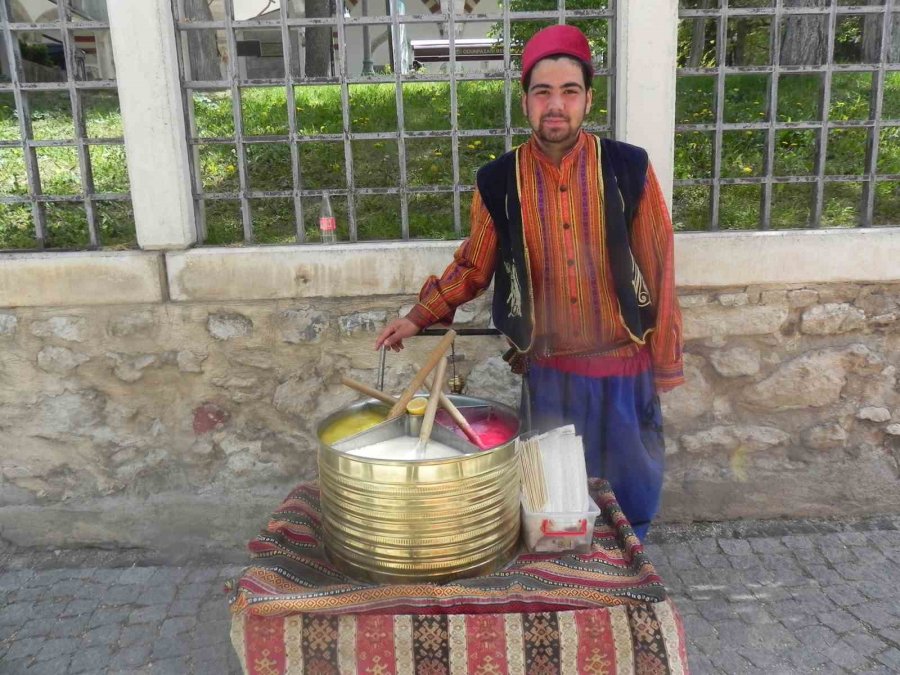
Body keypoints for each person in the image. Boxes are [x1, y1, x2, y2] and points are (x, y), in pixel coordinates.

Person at [375, 24, 684, 539]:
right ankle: (563, 580)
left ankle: (627, 580)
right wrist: (417, 316)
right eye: (543, 92)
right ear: (525, 103)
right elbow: (473, 266)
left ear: (588, 100)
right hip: (551, 376)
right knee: (553, 507)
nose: (555, 105)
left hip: (625, 370)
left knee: (632, 503)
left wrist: (666, 362)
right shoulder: (499, 180)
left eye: (569, 91)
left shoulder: (628, 168)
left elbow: (659, 264)